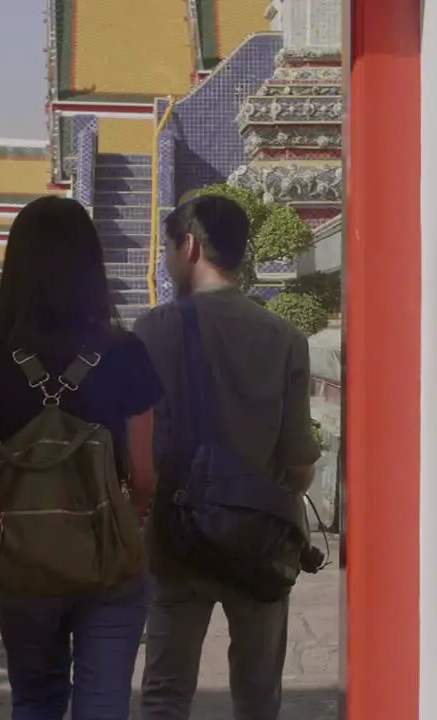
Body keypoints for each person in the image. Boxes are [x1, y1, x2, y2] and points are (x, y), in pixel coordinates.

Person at [0, 195, 162, 720]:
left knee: (36, 699)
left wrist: (26, 497)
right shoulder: (125, 350)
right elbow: (143, 473)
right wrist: (125, 519)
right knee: (102, 702)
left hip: (26, 561)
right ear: (91, 264)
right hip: (108, 555)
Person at [133, 195, 322, 720]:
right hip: (259, 538)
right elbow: (300, 462)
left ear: (189, 245)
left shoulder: (153, 330)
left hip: (177, 536)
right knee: (258, 693)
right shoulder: (285, 337)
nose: (167, 260)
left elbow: (138, 450)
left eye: (169, 247)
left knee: (166, 693)